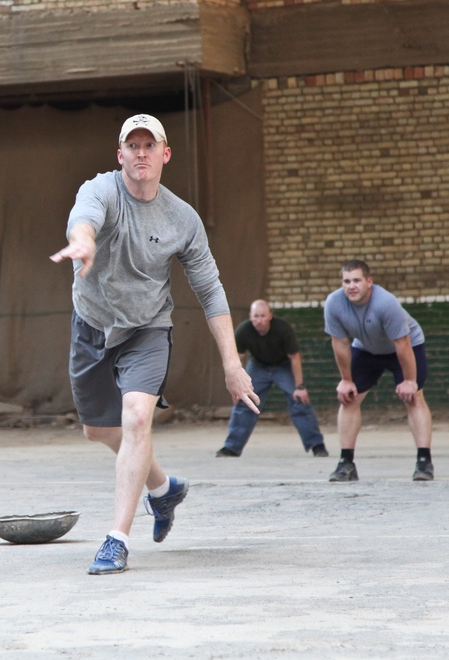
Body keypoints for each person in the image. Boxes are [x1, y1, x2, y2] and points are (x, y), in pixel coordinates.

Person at [50, 113, 259, 575]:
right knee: (98, 430)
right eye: (133, 146)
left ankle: (116, 540)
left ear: (165, 154)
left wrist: (231, 363)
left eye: (150, 146)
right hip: (92, 326)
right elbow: (83, 220)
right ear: (119, 154)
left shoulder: (182, 218)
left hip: (147, 330)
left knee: (137, 418)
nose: (140, 153)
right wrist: (82, 242)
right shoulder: (101, 189)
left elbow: (210, 291)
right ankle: (165, 491)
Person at [323, 259, 433, 482]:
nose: (351, 286)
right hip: (366, 347)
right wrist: (346, 380)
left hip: (405, 345)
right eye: (346, 281)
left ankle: (424, 461)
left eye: (357, 280)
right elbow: (340, 344)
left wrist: (410, 380)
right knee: (349, 398)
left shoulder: (385, 303)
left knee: (414, 398)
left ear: (369, 282)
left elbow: (402, 343)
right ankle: (346, 463)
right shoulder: (334, 303)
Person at [216, 300, 328, 458]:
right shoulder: (244, 330)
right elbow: (238, 359)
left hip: (283, 365)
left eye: (263, 316)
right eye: (256, 316)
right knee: (245, 401)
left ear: (270, 317)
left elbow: (295, 358)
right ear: (250, 317)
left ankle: (317, 445)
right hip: (258, 365)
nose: (259, 320)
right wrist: (238, 386)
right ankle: (231, 448)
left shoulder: (283, 329)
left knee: (299, 400)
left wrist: (300, 387)